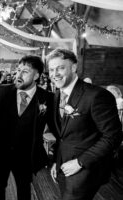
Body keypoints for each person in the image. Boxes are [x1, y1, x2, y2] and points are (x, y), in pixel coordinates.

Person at [47, 48, 123, 200]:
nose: (55, 74)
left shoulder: (96, 95)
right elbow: (63, 135)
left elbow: (113, 136)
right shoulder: (57, 95)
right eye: (51, 69)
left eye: (60, 68)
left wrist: (80, 162)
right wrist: (57, 160)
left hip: (85, 170)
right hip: (63, 166)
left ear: (74, 67)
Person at [0, 55, 56, 200]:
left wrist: (57, 157)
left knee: (24, 190)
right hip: (1, 152)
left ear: (37, 75)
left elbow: (56, 129)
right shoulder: (4, 91)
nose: (18, 75)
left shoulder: (47, 98)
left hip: (27, 154)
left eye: (25, 71)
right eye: (18, 70)